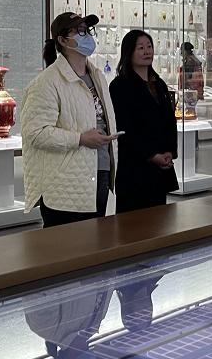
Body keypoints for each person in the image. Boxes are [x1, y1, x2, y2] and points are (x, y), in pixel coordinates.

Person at [22, 12, 118, 227]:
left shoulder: (97, 77)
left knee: (95, 239)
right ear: (63, 40)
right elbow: (34, 133)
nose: (87, 36)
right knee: (65, 243)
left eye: (88, 30)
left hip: (99, 170)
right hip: (65, 181)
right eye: (80, 31)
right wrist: (80, 139)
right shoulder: (47, 82)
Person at [108, 30, 178, 213]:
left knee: (160, 219)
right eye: (140, 48)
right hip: (135, 168)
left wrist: (169, 152)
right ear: (129, 52)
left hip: (160, 169)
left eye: (149, 46)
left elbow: (169, 121)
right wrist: (151, 155)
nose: (147, 51)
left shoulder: (158, 84)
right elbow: (124, 128)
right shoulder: (119, 86)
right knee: (133, 223)